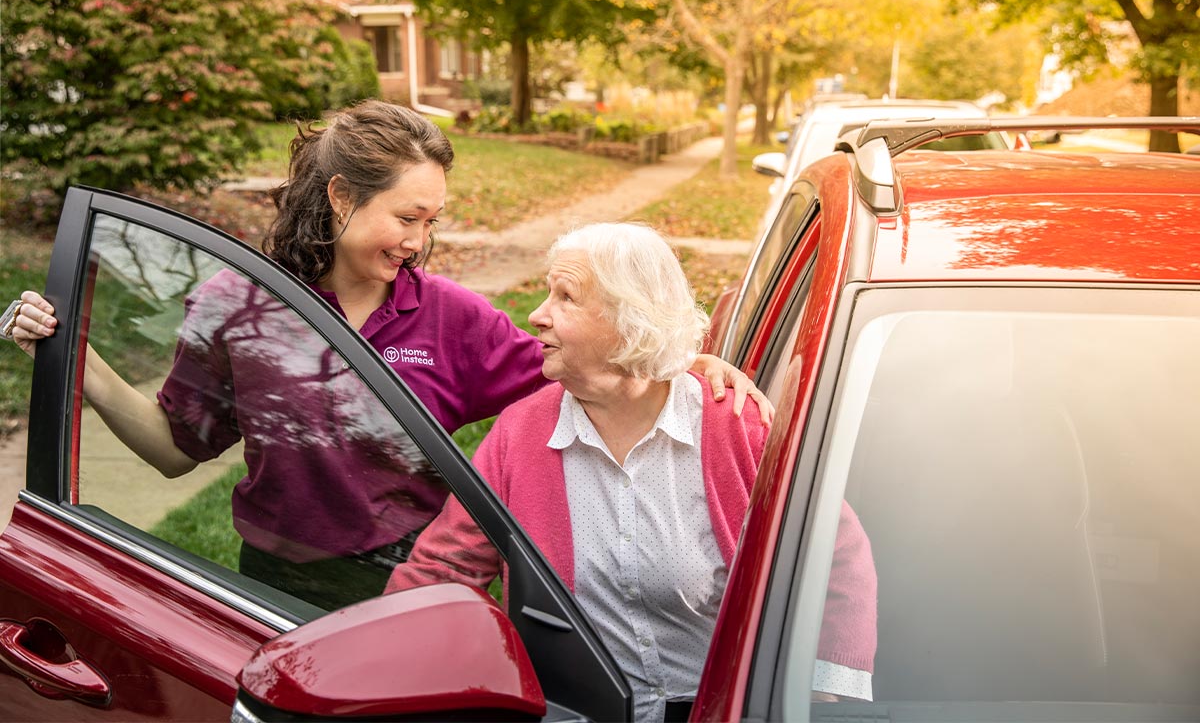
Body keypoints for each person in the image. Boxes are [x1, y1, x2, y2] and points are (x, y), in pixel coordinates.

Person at [4, 100, 771, 609]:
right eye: (408, 216)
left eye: (431, 221)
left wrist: (684, 367)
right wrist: (78, 357)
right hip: (274, 584)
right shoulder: (234, 310)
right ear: (340, 197)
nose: (419, 243)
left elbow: (588, 368)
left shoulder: (454, 320)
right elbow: (175, 452)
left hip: (422, 581)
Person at [386, 222, 877, 721]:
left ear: (630, 319)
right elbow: (442, 568)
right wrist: (382, 664)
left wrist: (823, 692)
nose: (537, 315)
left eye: (566, 297)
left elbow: (833, 551)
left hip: (718, 707)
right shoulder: (520, 434)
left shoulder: (732, 424)